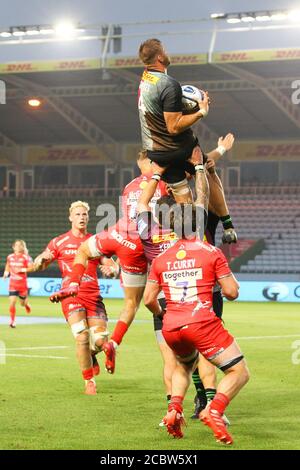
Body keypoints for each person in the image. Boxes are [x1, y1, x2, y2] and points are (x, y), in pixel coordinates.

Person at [143, 166, 250, 444]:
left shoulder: (161, 259)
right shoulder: (210, 252)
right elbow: (232, 292)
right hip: (201, 321)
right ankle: (213, 409)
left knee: (183, 366)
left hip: (172, 326)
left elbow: (148, 300)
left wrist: (164, 314)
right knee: (239, 371)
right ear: (198, 225)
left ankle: (174, 409)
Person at [32, 200, 118, 395]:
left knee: (99, 340)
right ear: (71, 217)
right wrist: (39, 261)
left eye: (85, 215)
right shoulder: (59, 241)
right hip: (71, 295)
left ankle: (93, 354)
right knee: (82, 336)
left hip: (93, 295)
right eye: (78, 214)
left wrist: (111, 270)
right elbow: (43, 258)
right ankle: (89, 381)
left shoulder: (94, 241)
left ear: (88, 218)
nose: (82, 217)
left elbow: (110, 265)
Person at [138, 38, 210, 203]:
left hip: (157, 153)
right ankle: (225, 224)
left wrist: (181, 105)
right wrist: (201, 111)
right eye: (164, 51)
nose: (167, 53)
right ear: (159, 58)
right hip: (176, 148)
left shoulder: (145, 78)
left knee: (182, 193)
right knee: (206, 166)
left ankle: (186, 216)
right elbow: (174, 127)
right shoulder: (170, 85)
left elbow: (160, 108)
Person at [3, 240, 33, 328]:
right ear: (13, 247)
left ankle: (26, 305)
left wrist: (22, 270)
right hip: (13, 284)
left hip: (22, 285)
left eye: (20, 245)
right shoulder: (10, 257)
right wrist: (6, 273)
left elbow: (32, 268)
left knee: (22, 303)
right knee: (12, 302)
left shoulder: (26, 257)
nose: (18, 247)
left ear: (23, 247)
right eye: (17, 245)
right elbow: (8, 265)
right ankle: (12, 322)